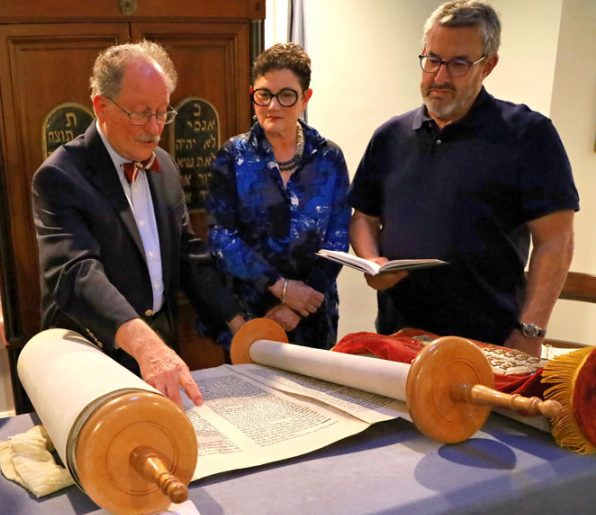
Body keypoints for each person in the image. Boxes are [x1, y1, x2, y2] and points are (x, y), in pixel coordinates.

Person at [347, 0, 577, 357]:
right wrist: (371, 258)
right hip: (398, 337)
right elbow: (364, 216)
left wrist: (530, 330)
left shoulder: (529, 135)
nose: (439, 77)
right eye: (433, 60)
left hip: (489, 343)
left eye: (458, 64)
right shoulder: (389, 136)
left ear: (488, 66)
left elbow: (556, 243)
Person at [31, 40, 244, 406]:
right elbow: (77, 273)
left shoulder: (164, 165)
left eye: (163, 112)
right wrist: (145, 344)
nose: (155, 127)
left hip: (160, 341)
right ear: (101, 105)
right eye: (142, 113)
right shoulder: (60, 176)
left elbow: (188, 255)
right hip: (93, 351)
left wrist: (238, 324)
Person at [206, 43, 351, 350]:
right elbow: (222, 236)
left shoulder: (329, 157)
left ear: (305, 98)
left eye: (286, 95)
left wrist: (298, 303)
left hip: (313, 313)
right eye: (263, 95)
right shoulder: (232, 156)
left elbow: (337, 239)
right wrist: (281, 288)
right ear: (252, 94)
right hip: (250, 313)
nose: (273, 106)